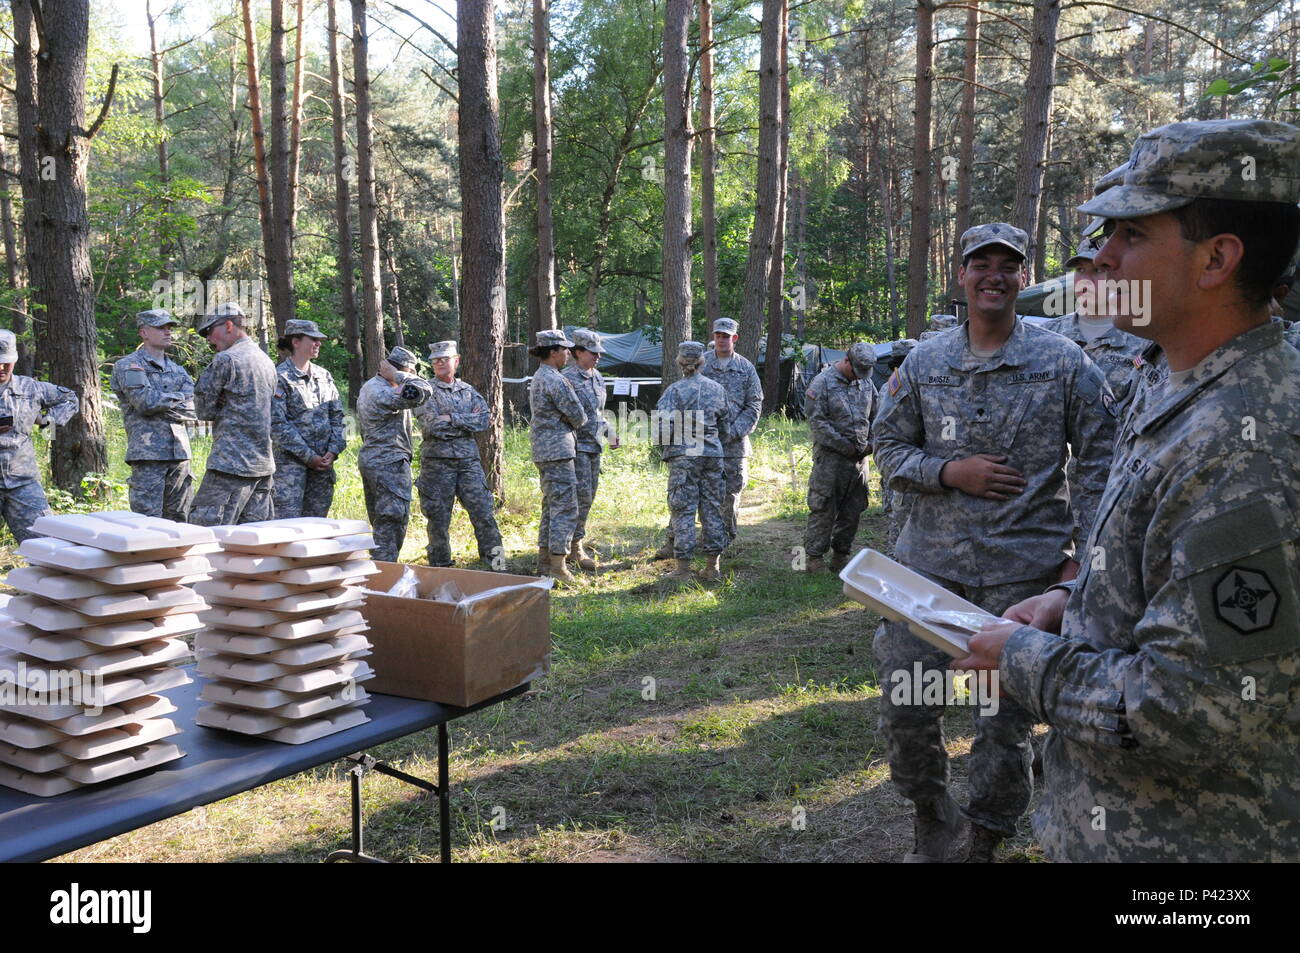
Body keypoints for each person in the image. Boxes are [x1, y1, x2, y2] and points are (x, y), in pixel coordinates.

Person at [959, 118, 1300, 862]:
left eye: (1132, 235)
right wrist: (1072, 602)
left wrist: (1021, 656)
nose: (1102, 258)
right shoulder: (1173, 376)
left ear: (1217, 259)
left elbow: (1184, 711)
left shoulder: (1247, 439)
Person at [871, 222, 1117, 863]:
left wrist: (1079, 570)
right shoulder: (925, 362)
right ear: (961, 276)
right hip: (926, 576)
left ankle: (983, 838)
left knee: (1002, 725)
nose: (994, 276)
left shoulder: (1062, 364)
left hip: (1021, 579)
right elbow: (888, 446)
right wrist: (949, 471)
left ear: (1023, 278)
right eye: (981, 263)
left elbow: (1100, 468)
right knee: (906, 704)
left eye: (1008, 265)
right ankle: (930, 812)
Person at [653, 317, 762, 559]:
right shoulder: (701, 363)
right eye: (718, 335)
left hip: (733, 444)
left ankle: (721, 543)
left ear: (735, 338)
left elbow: (754, 405)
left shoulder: (746, 368)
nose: (721, 339)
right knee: (684, 494)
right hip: (696, 443)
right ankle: (674, 541)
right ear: (713, 337)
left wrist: (733, 432)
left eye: (726, 336)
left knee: (728, 495)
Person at [413, 340, 503, 568]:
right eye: (435, 360)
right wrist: (465, 421)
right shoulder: (425, 391)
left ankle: (498, 564)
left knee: (484, 512)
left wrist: (451, 418)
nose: (440, 363)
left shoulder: (467, 390)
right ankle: (440, 567)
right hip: (437, 464)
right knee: (438, 520)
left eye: (444, 358)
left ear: (456, 360)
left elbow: (484, 419)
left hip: (468, 463)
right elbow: (431, 427)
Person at [191, 302, 279, 526]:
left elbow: (202, 410)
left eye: (211, 331)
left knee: (208, 536)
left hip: (229, 467)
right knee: (254, 543)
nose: (209, 339)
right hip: (262, 466)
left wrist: (220, 402)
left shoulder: (226, 360)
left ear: (229, 325)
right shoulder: (266, 361)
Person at [110, 309, 195, 522]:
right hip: (148, 454)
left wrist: (165, 400)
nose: (167, 332)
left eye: (169, 328)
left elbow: (195, 407)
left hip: (180, 454)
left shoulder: (178, 370)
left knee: (180, 521)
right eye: (160, 327)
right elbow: (144, 402)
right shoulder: (129, 365)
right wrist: (179, 399)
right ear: (144, 333)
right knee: (147, 522)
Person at [655, 341, 729, 581]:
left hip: (684, 457)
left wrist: (670, 448)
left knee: (683, 510)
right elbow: (725, 427)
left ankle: (683, 569)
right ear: (702, 361)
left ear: (679, 361)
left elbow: (662, 427)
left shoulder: (674, 391)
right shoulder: (717, 389)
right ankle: (712, 567)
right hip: (712, 456)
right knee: (712, 509)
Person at [803, 343, 877, 573]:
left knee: (853, 509)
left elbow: (877, 414)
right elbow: (818, 423)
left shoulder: (866, 382)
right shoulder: (822, 383)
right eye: (856, 371)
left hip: (859, 461)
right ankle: (814, 558)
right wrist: (843, 446)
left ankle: (841, 555)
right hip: (831, 459)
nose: (859, 377)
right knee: (824, 507)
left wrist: (872, 444)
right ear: (847, 361)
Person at [356, 346, 432, 562]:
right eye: (409, 373)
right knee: (391, 522)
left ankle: (381, 570)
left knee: (383, 522)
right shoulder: (382, 391)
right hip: (387, 463)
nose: (410, 378)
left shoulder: (379, 388)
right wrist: (399, 375)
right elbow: (423, 390)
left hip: (380, 461)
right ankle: (383, 574)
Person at [0, 329, 77, 542]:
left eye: (6, 362)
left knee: (45, 545)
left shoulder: (30, 388)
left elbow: (70, 398)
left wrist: (47, 422)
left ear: (14, 359)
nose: (1, 367)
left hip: (22, 483)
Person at [270, 319, 346, 519]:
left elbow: (338, 417)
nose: (318, 343)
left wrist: (333, 450)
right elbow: (277, 425)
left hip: (322, 468)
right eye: (313, 339)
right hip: (289, 472)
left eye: (319, 340)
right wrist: (308, 457)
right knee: (287, 530)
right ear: (296, 342)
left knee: (316, 529)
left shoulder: (324, 375)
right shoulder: (279, 377)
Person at [529, 329, 586, 584]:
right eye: (564, 350)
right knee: (565, 507)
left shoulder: (540, 376)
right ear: (552, 352)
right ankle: (558, 567)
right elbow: (579, 414)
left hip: (544, 450)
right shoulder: (555, 379)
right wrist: (568, 419)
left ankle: (544, 561)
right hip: (558, 451)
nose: (567, 354)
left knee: (551, 506)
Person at [561, 328, 618, 570]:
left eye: (599, 353)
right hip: (576, 447)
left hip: (594, 446)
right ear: (578, 352)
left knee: (588, 497)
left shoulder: (597, 377)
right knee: (578, 498)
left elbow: (597, 412)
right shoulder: (567, 378)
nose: (598, 357)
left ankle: (575, 542)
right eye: (593, 353)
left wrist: (610, 432)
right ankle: (572, 547)